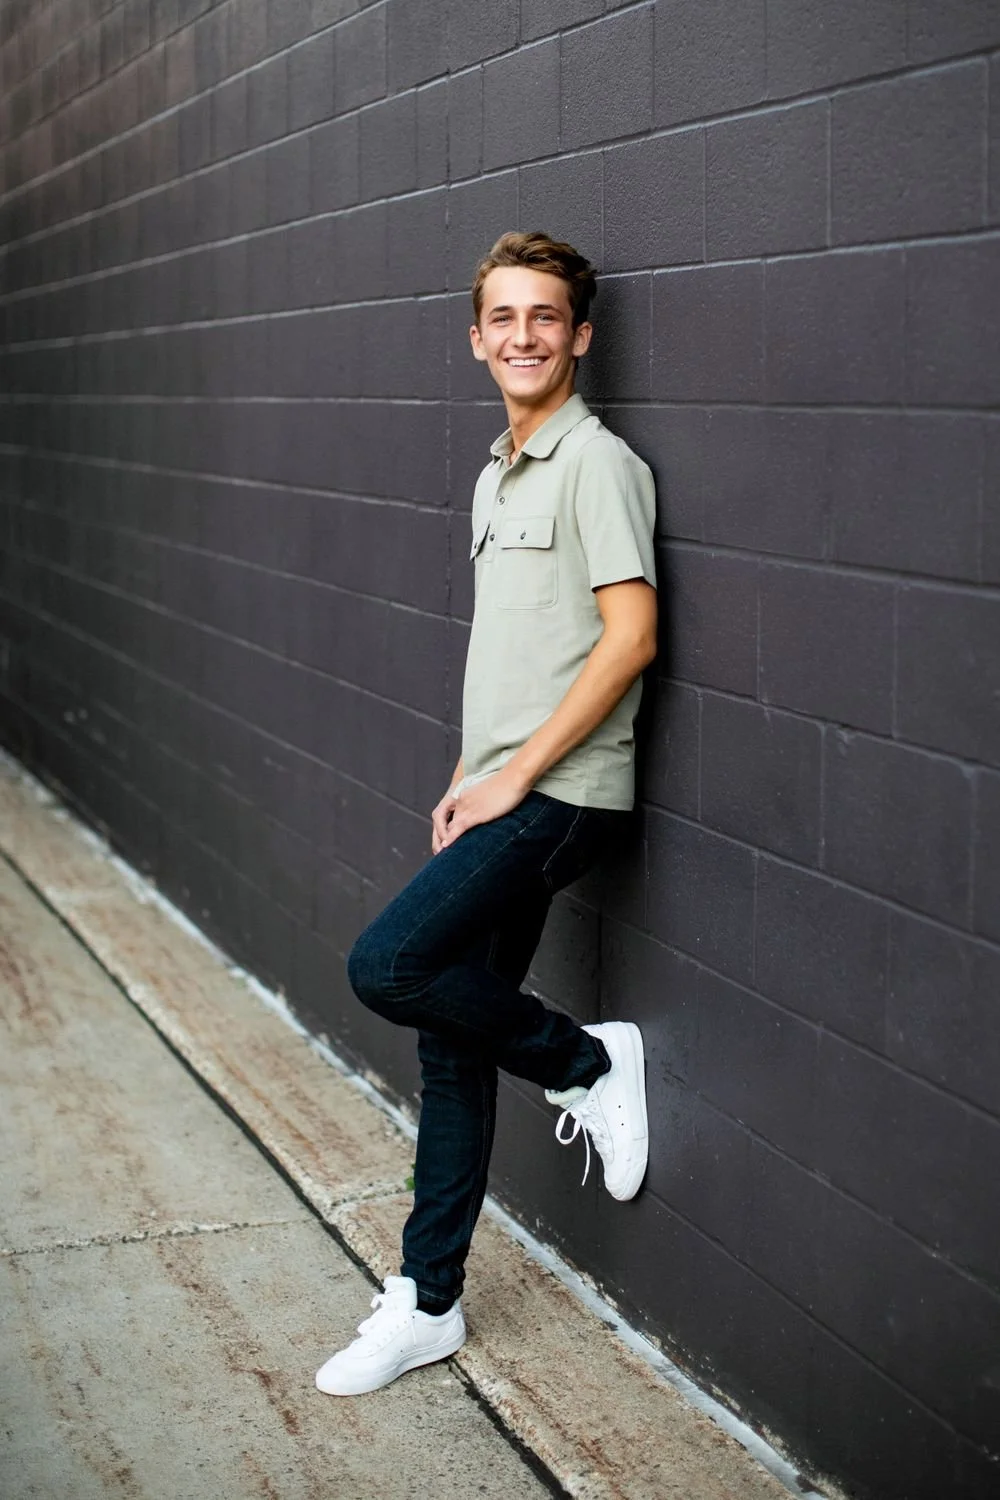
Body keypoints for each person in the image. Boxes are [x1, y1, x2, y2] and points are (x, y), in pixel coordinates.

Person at [316, 231, 658, 1397]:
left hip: (564, 794)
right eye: (502, 317)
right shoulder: (496, 473)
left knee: (388, 964)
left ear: (580, 336)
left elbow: (629, 638)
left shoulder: (597, 464)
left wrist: (514, 780)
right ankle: (428, 1303)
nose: (523, 335)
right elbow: (515, 648)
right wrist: (471, 772)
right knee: (452, 1040)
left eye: (544, 316)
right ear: (476, 339)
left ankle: (584, 1063)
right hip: (504, 787)